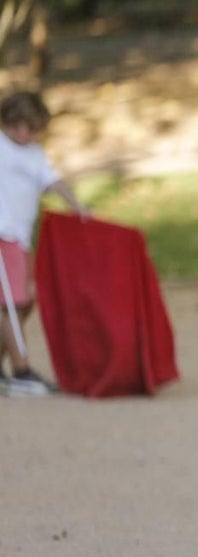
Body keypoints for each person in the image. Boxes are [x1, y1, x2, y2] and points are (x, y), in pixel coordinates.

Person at [0, 91, 87, 397]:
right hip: (2, 236)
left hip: (21, 238)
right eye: (29, 127)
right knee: (12, 303)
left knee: (23, 303)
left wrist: (77, 205)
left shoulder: (34, 153)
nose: (33, 134)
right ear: (14, 123)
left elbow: (52, 181)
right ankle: (21, 369)